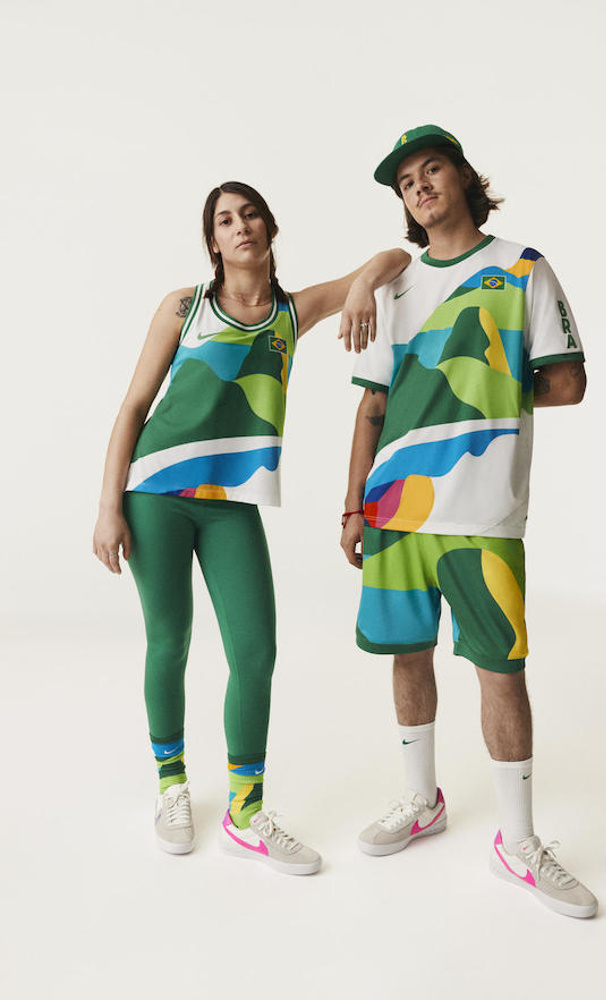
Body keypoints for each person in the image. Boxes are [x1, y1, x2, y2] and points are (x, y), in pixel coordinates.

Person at [93, 180, 409, 875]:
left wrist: (361, 288)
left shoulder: (292, 312)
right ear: (213, 241)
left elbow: (395, 258)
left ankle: (244, 812)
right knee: (170, 639)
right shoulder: (184, 307)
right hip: (155, 491)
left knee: (256, 652)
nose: (240, 227)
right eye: (225, 220)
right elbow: (134, 405)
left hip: (231, 502)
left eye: (250, 214)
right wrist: (108, 505)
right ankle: (172, 786)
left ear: (269, 227)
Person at [341, 126, 598, 917]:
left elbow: (568, 383)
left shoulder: (522, 267)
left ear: (462, 178)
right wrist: (352, 504)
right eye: (406, 182)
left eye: (432, 170)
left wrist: (485, 395)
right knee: (406, 653)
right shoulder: (393, 287)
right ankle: (423, 800)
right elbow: (373, 406)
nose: (420, 186)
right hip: (393, 506)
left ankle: (517, 841)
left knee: (500, 669)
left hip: (483, 509)